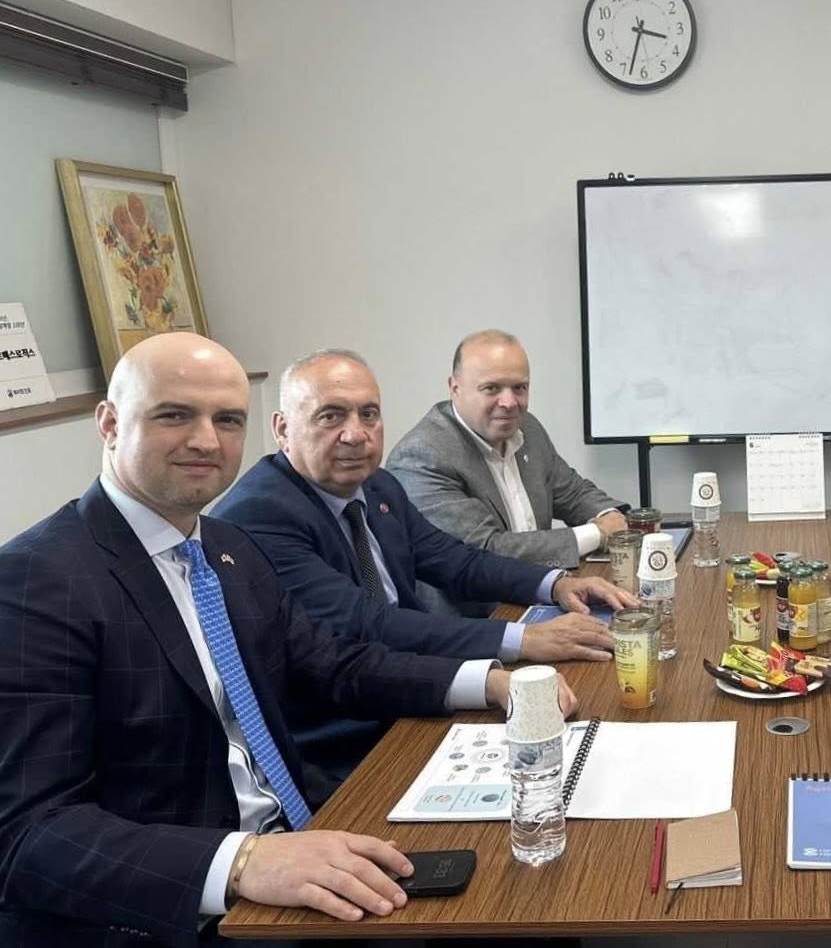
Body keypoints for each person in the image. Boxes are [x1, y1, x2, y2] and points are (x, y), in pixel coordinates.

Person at [0, 333, 577, 947]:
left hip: (303, 833)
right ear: (110, 424)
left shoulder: (225, 547)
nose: (206, 441)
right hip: (180, 908)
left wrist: (489, 682)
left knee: (533, 895)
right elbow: (28, 834)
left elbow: (332, 663)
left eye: (227, 420)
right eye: (174, 415)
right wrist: (243, 861)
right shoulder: (35, 583)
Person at [214, 348, 629, 802]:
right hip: (353, 737)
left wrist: (555, 584)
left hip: (419, 686)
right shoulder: (259, 514)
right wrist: (523, 639)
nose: (355, 434)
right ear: (282, 428)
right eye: (331, 416)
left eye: (369, 414)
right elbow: (367, 624)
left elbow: (455, 561)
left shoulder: (378, 485)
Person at [387, 330, 628, 585]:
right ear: (455, 388)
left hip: (544, 589)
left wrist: (614, 518)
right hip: (480, 605)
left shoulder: (527, 428)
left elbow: (572, 493)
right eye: (491, 388)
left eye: (519, 387)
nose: (510, 402)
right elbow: (485, 551)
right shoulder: (422, 456)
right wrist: (598, 533)